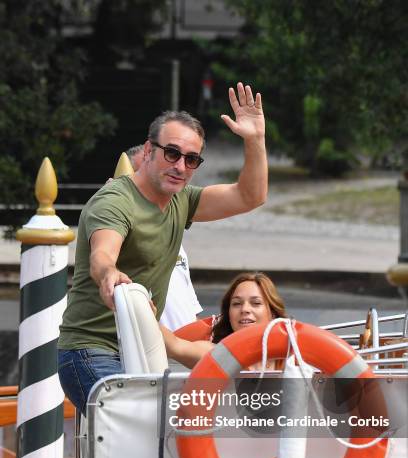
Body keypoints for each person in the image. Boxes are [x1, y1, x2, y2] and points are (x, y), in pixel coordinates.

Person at [58, 82, 268, 415]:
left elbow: (250, 196)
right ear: (149, 150)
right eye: (172, 153)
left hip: (138, 347)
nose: (181, 166)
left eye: (191, 159)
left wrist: (255, 140)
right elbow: (102, 254)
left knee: (154, 447)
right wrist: (108, 274)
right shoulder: (116, 201)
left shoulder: (180, 200)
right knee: (140, 438)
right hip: (91, 350)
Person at [126, 146, 202, 330]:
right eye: (138, 175)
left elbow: (188, 309)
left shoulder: (172, 233)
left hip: (183, 351)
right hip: (154, 353)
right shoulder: (120, 234)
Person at [161, 272, 287, 369]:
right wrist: (144, 309)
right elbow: (174, 346)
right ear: (229, 314)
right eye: (237, 303)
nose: (245, 309)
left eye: (256, 303)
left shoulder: (292, 354)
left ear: (273, 313)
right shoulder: (218, 354)